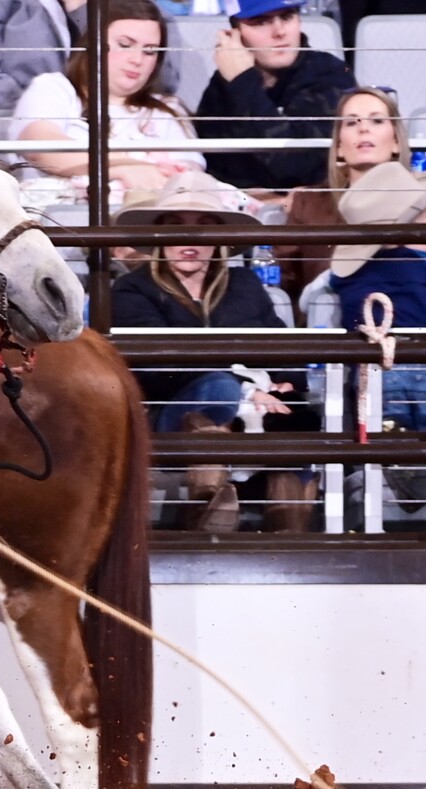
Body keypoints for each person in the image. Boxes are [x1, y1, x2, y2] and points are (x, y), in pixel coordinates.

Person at [112, 171, 316, 532]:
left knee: (299, 415)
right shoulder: (131, 290)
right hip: (168, 415)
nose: (189, 240)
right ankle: (206, 510)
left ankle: (288, 533)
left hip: (253, 411)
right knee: (220, 388)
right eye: (176, 227)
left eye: (203, 227)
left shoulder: (243, 284)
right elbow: (161, 366)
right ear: (159, 235)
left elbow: (284, 349)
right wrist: (247, 385)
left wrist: (283, 383)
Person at [9, 0, 203, 201]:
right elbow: (41, 148)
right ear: (93, 43)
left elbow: (187, 179)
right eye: (125, 45)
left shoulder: (169, 110)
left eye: (150, 51)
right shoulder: (53, 89)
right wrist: (128, 167)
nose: (137, 60)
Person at [329, 161, 426, 434]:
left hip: (371, 362)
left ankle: (404, 473)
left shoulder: (341, 274)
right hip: (421, 358)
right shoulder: (423, 262)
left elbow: (309, 297)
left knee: (387, 440)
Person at [0, 0, 182, 135]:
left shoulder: (140, 5)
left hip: (119, 126)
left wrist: (84, 13)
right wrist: (32, 117)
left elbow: (164, 77)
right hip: (14, 124)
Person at [194, 0, 356, 194]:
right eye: (261, 22)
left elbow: (293, 166)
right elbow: (215, 171)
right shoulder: (223, 83)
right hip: (240, 214)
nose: (279, 32)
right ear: (234, 33)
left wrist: (243, 82)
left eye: (287, 16)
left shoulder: (331, 74)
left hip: (314, 213)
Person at [276, 86, 410, 303]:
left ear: (396, 141)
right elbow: (284, 282)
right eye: (351, 122)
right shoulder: (308, 204)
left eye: (376, 121)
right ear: (338, 146)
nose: (363, 129)